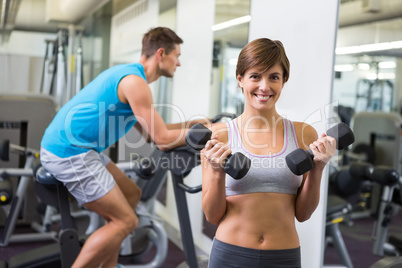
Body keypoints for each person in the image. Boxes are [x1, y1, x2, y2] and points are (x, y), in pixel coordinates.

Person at [40, 27, 207, 268]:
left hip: (82, 150)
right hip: (69, 153)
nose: (178, 63)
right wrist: (202, 134)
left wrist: (191, 124)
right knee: (126, 221)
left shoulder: (129, 77)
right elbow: (161, 139)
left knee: (131, 194)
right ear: (161, 54)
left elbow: (151, 133)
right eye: (176, 56)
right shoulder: (135, 83)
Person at [201, 38, 337, 267]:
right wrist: (216, 171)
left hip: (284, 256)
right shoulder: (219, 135)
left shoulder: (303, 133)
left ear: (283, 81)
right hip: (231, 254)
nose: (264, 86)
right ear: (240, 79)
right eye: (255, 76)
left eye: (274, 77)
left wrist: (318, 168)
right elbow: (212, 216)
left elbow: (303, 214)